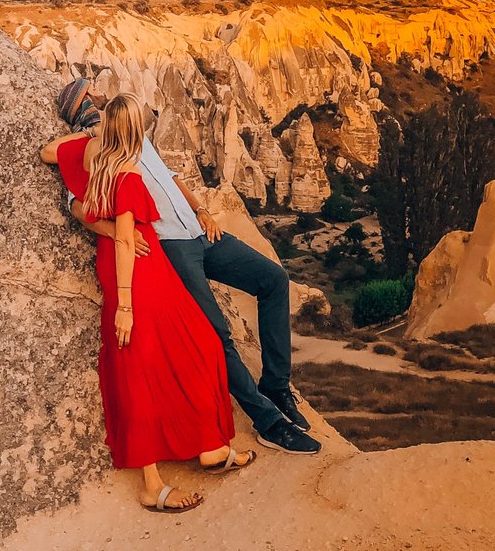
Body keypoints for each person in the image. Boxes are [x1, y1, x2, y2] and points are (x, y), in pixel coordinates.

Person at [53, 78, 321, 456]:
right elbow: (77, 205)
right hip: (171, 247)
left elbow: (172, 179)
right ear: (81, 109)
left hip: (199, 231)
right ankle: (269, 422)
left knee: (274, 279)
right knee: (217, 332)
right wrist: (114, 230)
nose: (99, 96)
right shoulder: (90, 150)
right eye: (89, 95)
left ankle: (276, 386)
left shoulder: (134, 135)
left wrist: (201, 209)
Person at [41, 93, 257, 513]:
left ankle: (210, 447)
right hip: (138, 272)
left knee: (196, 345)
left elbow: (50, 156)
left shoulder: (87, 153)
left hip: (136, 263)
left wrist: (91, 133)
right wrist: (125, 304)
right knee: (147, 362)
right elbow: (125, 237)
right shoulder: (126, 173)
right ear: (136, 132)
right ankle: (152, 483)